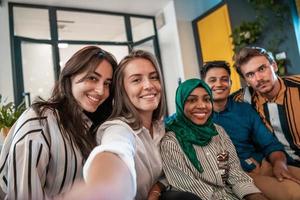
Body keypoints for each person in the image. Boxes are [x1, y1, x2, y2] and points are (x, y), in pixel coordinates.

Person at [0, 45, 118, 200]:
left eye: (107, 83)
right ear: (70, 77)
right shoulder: (39, 121)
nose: (101, 90)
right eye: (92, 78)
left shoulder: (92, 124)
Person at [83, 50, 200, 200]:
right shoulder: (118, 129)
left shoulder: (160, 128)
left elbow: (168, 173)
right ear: (122, 90)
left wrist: (156, 189)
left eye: (154, 77)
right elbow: (115, 150)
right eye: (136, 80)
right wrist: (104, 187)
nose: (149, 85)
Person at [201, 60, 300, 200]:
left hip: (264, 163)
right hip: (239, 173)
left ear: (230, 83)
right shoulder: (197, 115)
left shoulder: (244, 109)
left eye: (224, 79)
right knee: (295, 194)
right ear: (203, 85)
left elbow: (269, 143)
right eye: (212, 80)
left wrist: (279, 162)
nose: (219, 84)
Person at [161, 78, 267, 200]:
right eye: (192, 100)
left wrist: (254, 195)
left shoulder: (218, 132)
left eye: (206, 99)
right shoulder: (171, 142)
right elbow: (193, 189)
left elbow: (234, 173)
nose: (202, 106)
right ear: (180, 104)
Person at [232, 46, 300, 167]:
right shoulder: (241, 100)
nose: (258, 79)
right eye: (250, 75)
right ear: (246, 80)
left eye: (262, 69)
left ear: (274, 66)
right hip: (278, 165)